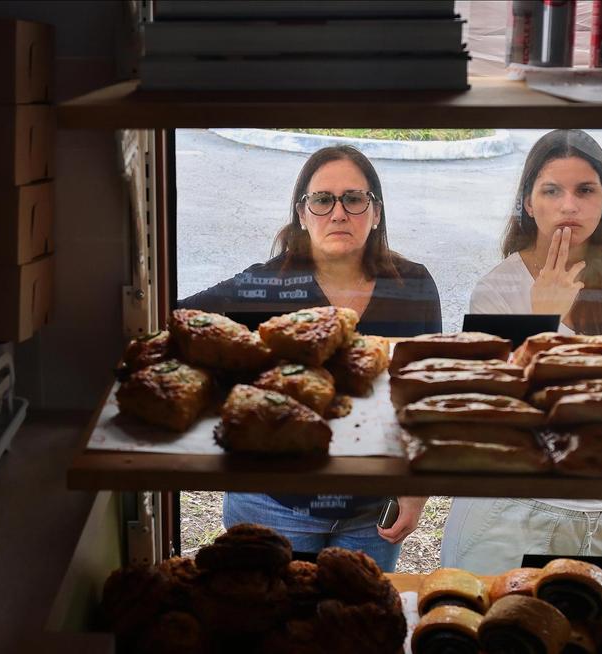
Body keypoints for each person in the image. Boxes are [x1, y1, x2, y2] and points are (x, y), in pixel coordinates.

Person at [180, 145, 442, 571]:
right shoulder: (266, 285)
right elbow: (174, 317)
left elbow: (423, 391)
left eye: (354, 199)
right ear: (302, 215)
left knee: (356, 625)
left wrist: (416, 488)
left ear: (376, 213)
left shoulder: (412, 285)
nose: (338, 213)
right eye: (322, 200)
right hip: (273, 501)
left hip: (370, 509)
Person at [440, 129, 602, 577]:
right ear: (528, 203)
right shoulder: (498, 288)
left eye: (586, 190)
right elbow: (505, 411)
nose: (569, 205)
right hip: (513, 506)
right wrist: (546, 318)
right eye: (552, 190)